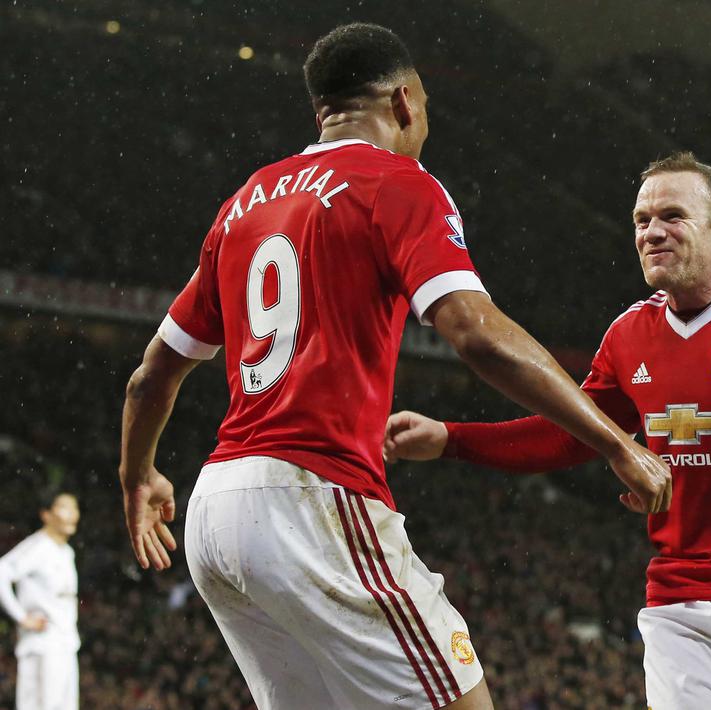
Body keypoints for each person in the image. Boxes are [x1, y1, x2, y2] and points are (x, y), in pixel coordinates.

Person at [117, 22, 670, 710]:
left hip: (216, 508)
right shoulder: (397, 183)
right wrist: (617, 445)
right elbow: (477, 335)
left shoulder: (244, 202)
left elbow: (151, 376)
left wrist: (137, 474)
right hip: (311, 497)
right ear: (406, 100)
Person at [384, 151, 711, 709]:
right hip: (679, 602)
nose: (652, 232)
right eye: (641, 220)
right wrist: (451, 438)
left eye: (673, 217)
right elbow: (567, 434)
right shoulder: (630, 334)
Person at [0, 492, 81, 710]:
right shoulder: (38, 546)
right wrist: (21, 617)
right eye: (64, 507)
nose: (72, 514)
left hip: (65, 643)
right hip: (42, 644)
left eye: (75, 508)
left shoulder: (66, 552)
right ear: (46, 514)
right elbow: (2, 571)